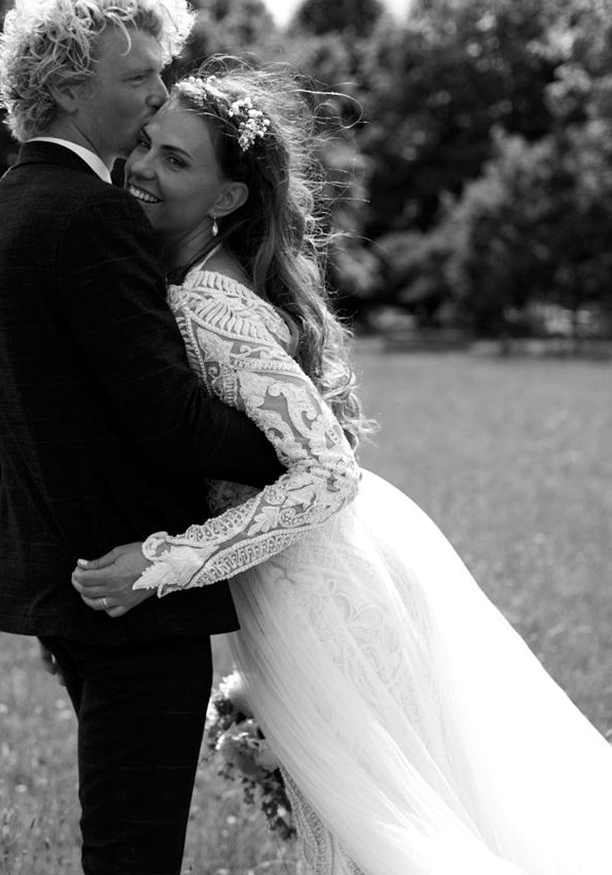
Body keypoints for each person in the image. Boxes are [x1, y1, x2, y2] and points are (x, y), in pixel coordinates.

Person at [71, 66, 612, 874]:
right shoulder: (202, 282)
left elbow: (328, 473)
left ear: (226, 201)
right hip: (325, 570)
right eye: (146, 142)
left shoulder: (211, 308)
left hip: (316, 590)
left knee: (385, 831)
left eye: (176, 160)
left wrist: (166, 561)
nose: (142, 164)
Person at [0, 3, 285, 872]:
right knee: (132, 853)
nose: (159, 94)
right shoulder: (89, 217)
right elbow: (171, 419)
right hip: (138, 596)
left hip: (77, 595)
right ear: (65, 89)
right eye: (137, 77)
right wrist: (289, 440)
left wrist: (54, 594)